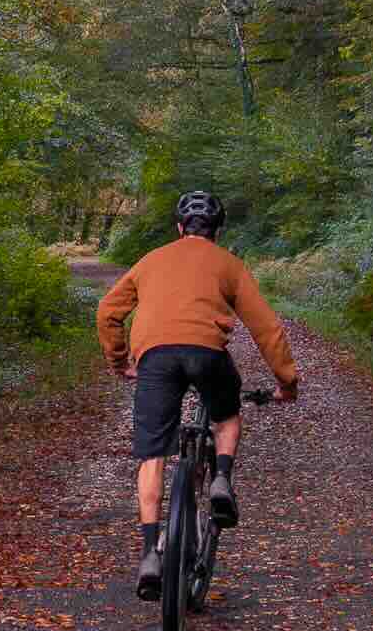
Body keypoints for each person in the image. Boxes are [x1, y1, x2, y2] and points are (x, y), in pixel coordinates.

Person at [94, 187, 301, 587]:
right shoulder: (230, 265)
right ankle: (221, 478)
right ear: (218, 231)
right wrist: (286, 383)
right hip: (208, 355)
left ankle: (150, 554)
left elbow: (108, 313)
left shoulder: (150, 261)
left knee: (152, 455)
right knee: (225, 416)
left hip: (155, 358)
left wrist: (120, 362)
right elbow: (267, 328)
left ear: (178, 227)